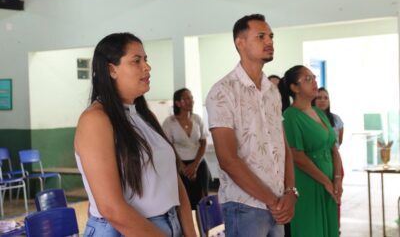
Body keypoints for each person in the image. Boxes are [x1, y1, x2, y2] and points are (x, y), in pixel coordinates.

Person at [74, 32, 196, 237]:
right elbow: (111, 209)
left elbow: (173, 181)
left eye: (146, 60)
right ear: (112, 70)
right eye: (136, 61)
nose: (147, 67)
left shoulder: (144, 116)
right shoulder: (96, 120)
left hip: (169, 224)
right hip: (124, 231)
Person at [206, 14, 297, 237]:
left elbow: (283, 147)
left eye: (271, 36)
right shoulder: (223, 91)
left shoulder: (272, 91)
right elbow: (228, 159)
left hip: (278, 207)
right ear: (240, 43)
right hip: (244, 207)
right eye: (261, 36)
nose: (269, 42)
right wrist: (272, 200)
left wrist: (290, 192)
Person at [278, 65, 343, 237]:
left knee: (330, 229)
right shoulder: (290, 116)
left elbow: (333, 147)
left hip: (328, 183)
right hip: (309, 183)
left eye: (314, 77)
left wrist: (337, 179)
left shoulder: (318, 112)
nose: (314, 82)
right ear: (294, 88)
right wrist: (326, 182)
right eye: (308, 79)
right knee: (312, 230)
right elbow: (296, 156)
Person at [162, 88, 211, 210]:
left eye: (191, 98)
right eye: (186, 98)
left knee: (202, 200)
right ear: (178, 103)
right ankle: (186, 228)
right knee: (184, 202)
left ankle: (203, 227)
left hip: (198, 165)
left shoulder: (197, 119)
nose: (191, 101)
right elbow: (169, 146)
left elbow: (203, 143)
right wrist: (182, 167)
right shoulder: (169, 122)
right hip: (179, 166)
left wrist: (194, 165)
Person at [312, 87, 344, 229]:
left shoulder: (336, 119)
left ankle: (335, 227)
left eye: (325, 97)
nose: (322, 101)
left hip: (334, 161)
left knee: (335, 195)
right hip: (317, 163)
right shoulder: (309, 117)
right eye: (319, 97)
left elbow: (339, 142)